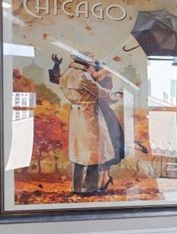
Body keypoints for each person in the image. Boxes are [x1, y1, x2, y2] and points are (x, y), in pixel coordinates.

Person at [52, 52, 125, 195]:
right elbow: (99, 92)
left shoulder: (68, 73)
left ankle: (76, 188)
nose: (93, 67)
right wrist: (115, 97)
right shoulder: (82, 75)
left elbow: (57, 79)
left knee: (78, 153)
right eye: (91, 64)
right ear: (87, 64)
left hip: (76, 114)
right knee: (94, 152)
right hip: (89, 115)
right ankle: (90, 188)